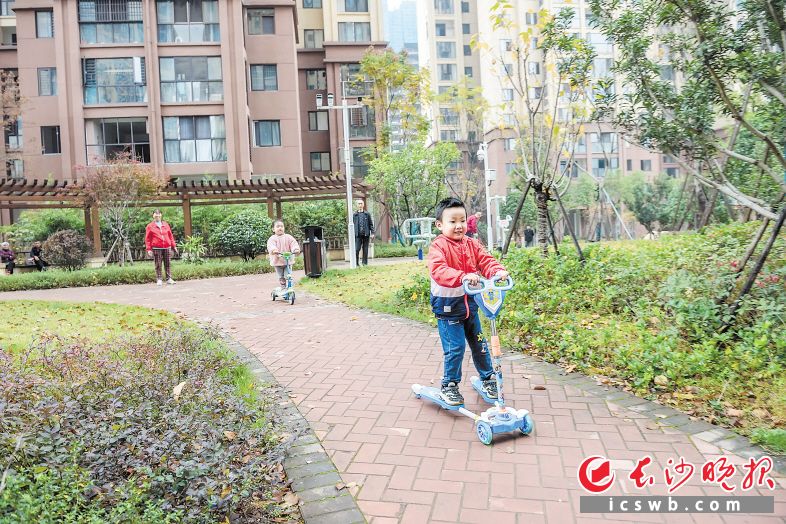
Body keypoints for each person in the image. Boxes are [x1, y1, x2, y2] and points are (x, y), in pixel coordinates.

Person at [428, 197, 510, 406]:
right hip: (448, 308)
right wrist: (462, 276)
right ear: (440, 224)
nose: (459, 226)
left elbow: (485, 260)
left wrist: (497, 271)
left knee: (480, 343)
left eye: (462, 220)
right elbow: (439, 270)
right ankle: (449, 385)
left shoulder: (472, 244)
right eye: (452, 221)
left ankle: (488, 378)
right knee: (455, 348)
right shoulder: (438, 247)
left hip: (470, 306)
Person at [145, 209, 178, 286]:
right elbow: (147, 239)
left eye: (159, 214)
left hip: (167, 247)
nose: (157, 215)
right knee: (158, 264)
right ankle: (159, 279)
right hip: (157, 247)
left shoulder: (166, 224)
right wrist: (149, 249)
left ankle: (169, 279)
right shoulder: (150, 226)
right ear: (153, 215)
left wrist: (174, 246)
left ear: (161, 215)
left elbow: (170, 236)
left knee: (168, 263)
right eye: (156, 214)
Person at [267, 219, 300, 287]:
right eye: (278, 226)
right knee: (281, 276)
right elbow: (271, 245)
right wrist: (274, 250)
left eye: (282, 226)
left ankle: (289, 285)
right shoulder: (272, 238)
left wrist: (295, 249)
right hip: (277, 261)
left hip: (287, 260)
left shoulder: (288, 237)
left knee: (287, 275)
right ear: (273, 229)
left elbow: (293, 243)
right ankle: (283, 285)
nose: (280, 228)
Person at [352, 199, 374, 266]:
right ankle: (356, 263)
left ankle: (364, 263)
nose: (360, 205)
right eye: (359, 204)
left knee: (365, 250)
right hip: (358, 235)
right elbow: (352, 225)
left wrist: (372, 233)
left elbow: (371, 224)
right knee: (356, 249)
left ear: (363, 205)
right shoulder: (355, 215)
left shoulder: (367, 214)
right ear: (357, 205)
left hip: (366, 234)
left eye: (361, 203)